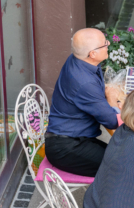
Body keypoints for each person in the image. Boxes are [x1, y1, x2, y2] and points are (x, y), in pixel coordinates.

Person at [45, 28, 119, 177]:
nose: (108, 44)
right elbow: (112, 122)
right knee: (123, 167)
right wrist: (112, 100)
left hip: (72, 137)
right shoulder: (85, 83)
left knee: (123, 156)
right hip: (67, 148)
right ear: (92, 54)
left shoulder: (77, 59)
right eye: (104, 44)